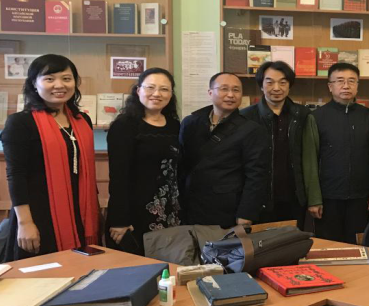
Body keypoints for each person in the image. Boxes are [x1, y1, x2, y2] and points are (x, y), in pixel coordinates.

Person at [0, 54, 100, 306]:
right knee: (46, 285)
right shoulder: (21, 123)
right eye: (50, 78)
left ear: (75, 82)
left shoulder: (81, 120)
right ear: (34, 83)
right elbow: (15, 175)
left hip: (78, 214)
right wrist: (25, 222)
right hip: (39, 218)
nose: (59, 85)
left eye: (66, 78)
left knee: (79, 281)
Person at [107, 68, 181, 254]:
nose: (157, 94)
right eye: (150, 87)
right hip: (134, 213)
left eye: (164, 89)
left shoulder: (175, 125)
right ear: (138, 90)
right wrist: (119, 220)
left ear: (171, 94)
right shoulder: (124, 126)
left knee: (168, 265)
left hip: (170, 211)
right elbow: (118, 177)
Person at [179, 73, 268, 228]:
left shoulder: (251, 129)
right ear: (210, 92)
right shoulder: (190, 123)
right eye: (224, 89)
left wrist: (246, 213)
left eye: (236, 90)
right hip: (190, 204)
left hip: (227, 209)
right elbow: (181, 165)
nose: (230, 95)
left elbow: (256, 175)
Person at [303, 63, 369, 243]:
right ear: (330, 86)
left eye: (351, 81)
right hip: (328, 196)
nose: (346, 86)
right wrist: (314, 199)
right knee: (329, 245)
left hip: (361, 196)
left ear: (357, 85)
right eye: (340, 81)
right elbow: (310, 161)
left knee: (358, 245)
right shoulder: (316, 117)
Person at [241, 61, 309, 227]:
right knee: (261, 242)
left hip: (294, 199)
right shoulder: (246, 117)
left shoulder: (302, 115)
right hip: (259, 200)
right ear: (261, 85)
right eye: (270, 82)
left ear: (290, 85)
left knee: (293, 241)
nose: (276, 88)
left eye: (283, 82)